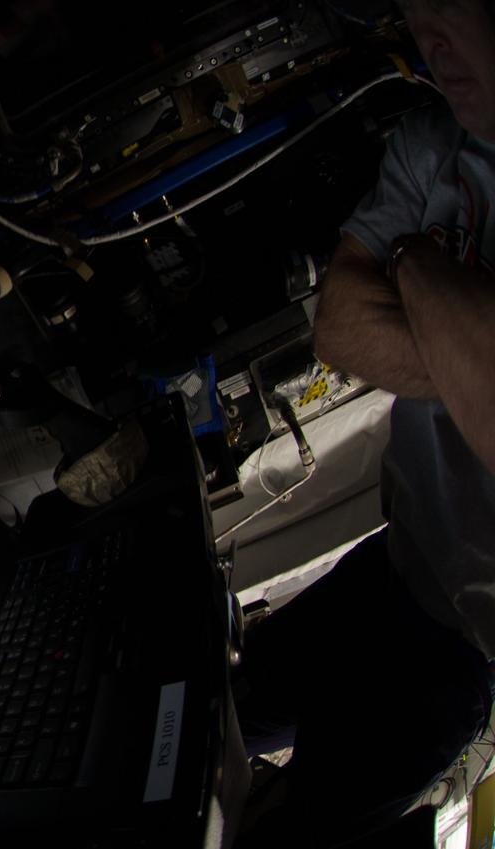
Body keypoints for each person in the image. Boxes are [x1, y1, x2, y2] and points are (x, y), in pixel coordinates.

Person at [236, 0, 495, 844]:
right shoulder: (433, 140)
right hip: (393, 558)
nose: (432, 48)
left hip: (458, 653)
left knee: (294, 835)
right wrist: (463, 344)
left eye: (453, 17)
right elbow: (341, 323)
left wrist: (413, 264)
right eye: (419, 25)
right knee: (224, 716)